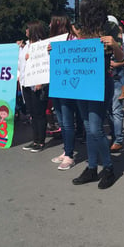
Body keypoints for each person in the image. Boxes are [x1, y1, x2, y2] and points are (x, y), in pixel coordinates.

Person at [72, 0, 124, 189]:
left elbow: (120, 56)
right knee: (88, 128)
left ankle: (109, 168)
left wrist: (114, 44)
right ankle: (92, 167)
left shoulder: (110, 27)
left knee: (95, 128)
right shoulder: (80, 28)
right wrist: (55, 51)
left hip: (101, 82)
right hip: (82, 83)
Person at [48, 14, 80, 170]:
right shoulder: (52, 41)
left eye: (51, 22)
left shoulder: (72, 39)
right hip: (56, 84)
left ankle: (69, 155)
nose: (48, 25)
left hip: (67, 85)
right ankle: (66, 149)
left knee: (67, 121)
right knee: (61, 119)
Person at [21, 21, 50, 153]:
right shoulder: (26, 45)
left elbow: (45, 64)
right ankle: (34, 140)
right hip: (26, 82)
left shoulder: (42, 45)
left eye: (28, 29)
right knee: (32, 113)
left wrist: (41, 81)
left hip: (37, 83)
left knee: (39, 113)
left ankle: (41, 141)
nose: (26, 31)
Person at [108, 17, 124, 153]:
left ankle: (118, 140)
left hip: (117, 78)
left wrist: (118, 64)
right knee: (108, 111)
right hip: (105, 78)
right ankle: (114, 137)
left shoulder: (123, 39)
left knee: (116, 110)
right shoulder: (100, 36)